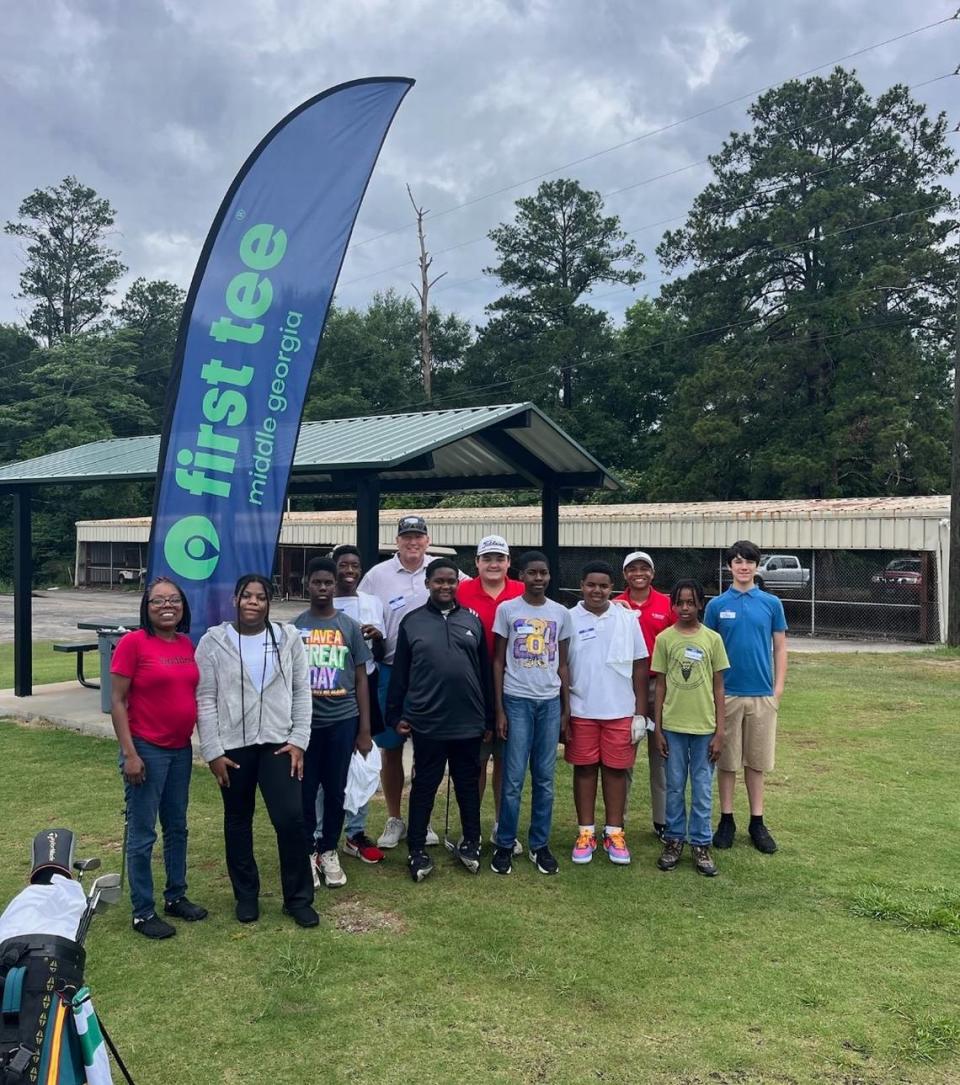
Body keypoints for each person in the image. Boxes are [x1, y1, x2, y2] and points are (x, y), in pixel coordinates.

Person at [195, 574, 317, 927]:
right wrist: (213, 750)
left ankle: (297, 899)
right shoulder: (214, 642)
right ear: (235, 599)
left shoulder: (287, 638)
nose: (253, 602)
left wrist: (299, 739)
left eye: (260, 597)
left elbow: (301, 691)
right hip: (233, 747)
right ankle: (246, 896)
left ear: (269, 602)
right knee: (237, 821)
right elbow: (205, 698)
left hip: (279, 745)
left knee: (290, 819)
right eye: (246, 595)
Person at [358, 515, 466, 849]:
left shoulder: (444, 570)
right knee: (391, 748)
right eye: (407, 537)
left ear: (427, 540)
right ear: (397, 541)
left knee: (427, 750)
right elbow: (360, 612)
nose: (413, 543)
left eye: (418, 537)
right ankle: (395, 818)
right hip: (391, 670)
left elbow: (473, 595)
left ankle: (424, 817)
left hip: (432, 676)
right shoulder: (377, 575)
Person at [110, 577, 207, 939]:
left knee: (177, 827)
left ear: (183, 606)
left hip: (180, 750)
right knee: (142, 833)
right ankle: (142, 911)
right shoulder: (133, 643)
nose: (167, 606)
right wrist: (129, 753)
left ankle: (175, 895)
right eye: (158, 601)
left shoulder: (185, 643)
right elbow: (117, 701)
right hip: (146, 749)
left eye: (174, 600)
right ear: (146, 608)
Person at [386, 557, 494, 882]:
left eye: (450, 581)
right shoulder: (412, 622)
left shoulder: (473, 620)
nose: (445, 586)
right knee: (424, 785)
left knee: (466, 783)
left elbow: (485, 673)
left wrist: (489, 717)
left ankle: (471, 841)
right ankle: (417, 848)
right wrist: (395, 714)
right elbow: (400, 674)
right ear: (427, 584)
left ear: (457, 583)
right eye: (439, 581)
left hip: (468, 721)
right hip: (428, 720)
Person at [491, 550, 572, 876]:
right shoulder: (507, 610)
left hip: (550, 704)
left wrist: (566, 709)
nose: (538, 579)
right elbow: (498, 661)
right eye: (532, 573)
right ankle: (505, 844)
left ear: (549, 576)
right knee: (512, 780)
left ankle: (540, 845)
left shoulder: (561, 613)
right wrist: (499, 708)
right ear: (520, 575)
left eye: (544, 573)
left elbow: (563, 663)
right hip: (516, 701)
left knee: (545, 779)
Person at [705, 540, 788, 854]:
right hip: (726, 695)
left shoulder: (771, 603)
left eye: (749, 561)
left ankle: (757, 821)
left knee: (756, 762)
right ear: (729, 566)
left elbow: (780, 647)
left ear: (757, 565)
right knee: (727, 762)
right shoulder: (716, 606)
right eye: (738, 561)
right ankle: (726, 819)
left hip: (761, 695)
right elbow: (709, 649)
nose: (743, 566)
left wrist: (776, 690)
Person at [294, 557, 372, 889]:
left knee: (337, 790)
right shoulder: (295, 627)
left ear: (334, 586)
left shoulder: (348, 626)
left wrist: (364, 729)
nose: (323, 588)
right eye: (317, 582)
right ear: (307, 585)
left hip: (343, 720)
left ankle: (329, 849)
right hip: (307, 724)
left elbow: (361, 679)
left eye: (328, 583)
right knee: (306, 790)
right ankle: (309, 850)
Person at [565, 561, 649, 866]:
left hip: (620, 710)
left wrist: (640, 713)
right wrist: (564, 712)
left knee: (615, 772)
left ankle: (614, 832)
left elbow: (640, 665)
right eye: (591, 585)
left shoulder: (627, 618)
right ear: (582, 586)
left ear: (611, 588)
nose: (596, 590)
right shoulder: (569, 618)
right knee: (585, 770)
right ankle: (585, 833)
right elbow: (563, 667)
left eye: (603, 586)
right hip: (581, 709)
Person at [652, 580, 729, 877]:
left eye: (691, 602)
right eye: (679, 602)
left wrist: (720, 731)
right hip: (672, 726)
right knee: (674, 786)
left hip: (704, 728)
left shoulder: (712, 639)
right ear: (673, 605)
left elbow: (719, 686)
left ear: (700, 604)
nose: (685, 608)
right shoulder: (665, 639)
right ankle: (673, 840)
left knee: (701, 788)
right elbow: (659, 685)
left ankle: (700, 843)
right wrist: (657, 729)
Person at [456, 534, 524, 848]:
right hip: (473, 687)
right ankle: (472, 829)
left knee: (506, 761)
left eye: (499, 558)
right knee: (476, 762)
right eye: (487, 559)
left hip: (516, 685)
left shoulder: (522, 592)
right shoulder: (461, 591)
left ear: (509, 562)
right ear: (477, 563)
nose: (493, 564)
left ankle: (501, 824)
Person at [325, 544, 387, 864]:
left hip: (366, 686)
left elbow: (382, 648)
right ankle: (321, 835)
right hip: (330, 690)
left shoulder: (373, 603)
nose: (349, 570)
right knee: (327, 764)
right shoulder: (323, 601)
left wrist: (377, 635)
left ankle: (355, 832)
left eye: (355, 565)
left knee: (363, 761)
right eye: (343, 564)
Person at [614, 550, 674, 839]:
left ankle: (662, 821)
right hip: (625, 685)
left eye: (644, 568)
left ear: (652, 573)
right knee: (623, 755)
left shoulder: (667, 604)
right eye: (632, 569)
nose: (639, 573)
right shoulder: (614, 605)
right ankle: (618, 821)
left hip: (659, 684)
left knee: (660, 755)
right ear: (625, 574)